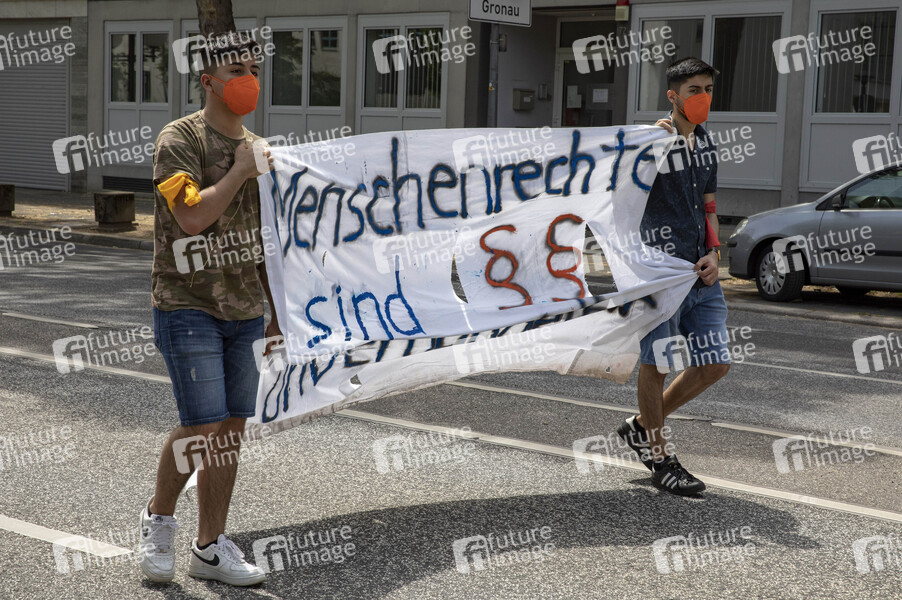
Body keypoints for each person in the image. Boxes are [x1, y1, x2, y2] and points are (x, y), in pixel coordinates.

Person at [137, 32, 279, 586]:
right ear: (209, 82)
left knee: (230, 429)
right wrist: (240, 170)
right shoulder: (179, 139)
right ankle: (159, 519)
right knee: (202, 425)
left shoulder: (260, 149)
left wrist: (278, 311)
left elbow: (267, 240)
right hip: (186, 304)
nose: (248, 79)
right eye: (236, 70)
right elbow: (192, 218)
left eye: (253, 68)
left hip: (245, 310)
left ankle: (210, 547)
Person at [617, 57, 728, 496]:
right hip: (660, 273)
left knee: (714, 363)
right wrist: (646, 149)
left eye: (708, 89)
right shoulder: (652, 143)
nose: (703, 97)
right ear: (673, 96)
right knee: (658, 363)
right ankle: (661, 460)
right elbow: (618, 196)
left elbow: (710, 206)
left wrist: (715, 253)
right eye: (694, 90)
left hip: (701, 272)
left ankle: (641, 426)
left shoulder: (707, 143)